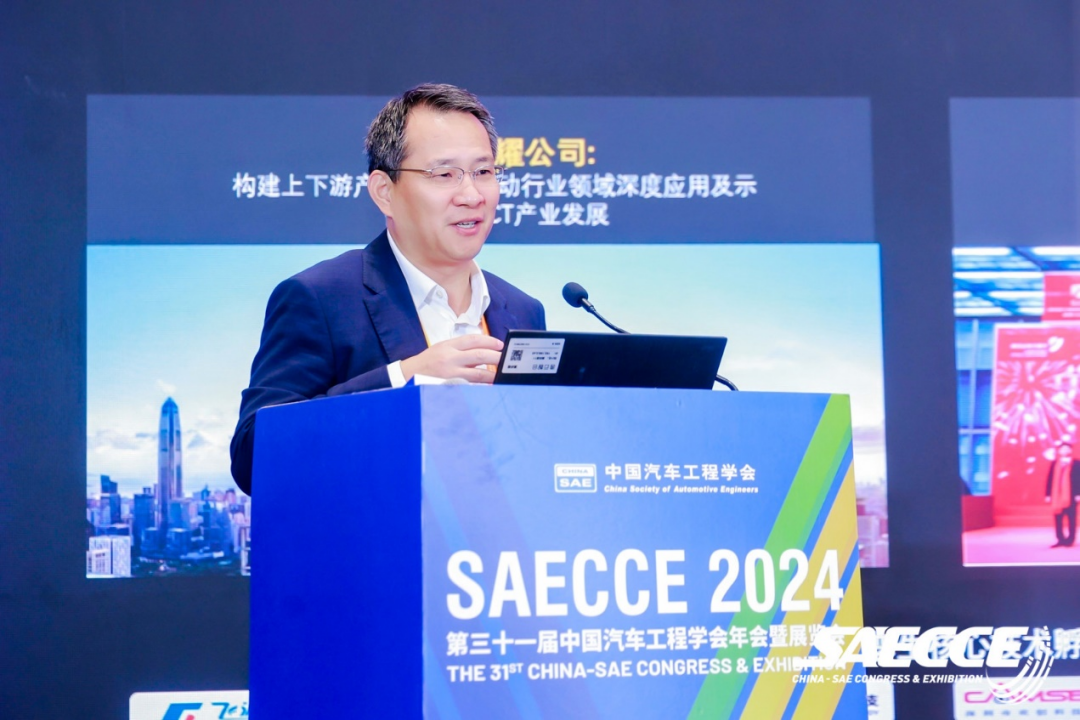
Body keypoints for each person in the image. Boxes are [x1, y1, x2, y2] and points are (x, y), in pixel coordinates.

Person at [229, 84, 546, 494]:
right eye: (444, 174)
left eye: (483, 172)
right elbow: (254, 456)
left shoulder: (522, 310)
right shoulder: (320, 298)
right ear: (384, 192)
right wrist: (404, 378)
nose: (471, 195)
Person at [1045, 441, 1080, 547]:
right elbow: (1050, 479)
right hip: (1057, 496)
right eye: (1062, 449)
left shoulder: (1076, 463)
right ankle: (1060, 539)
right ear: (1059, 451)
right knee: (1058, 518)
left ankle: (1070, 540)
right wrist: (1048, 494)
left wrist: (1078, 493)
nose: (1064, 451)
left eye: (1067, 449)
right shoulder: (1055, 464)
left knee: (1071, 518)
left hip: (1071, 495)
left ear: (1070, 450)